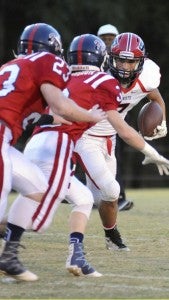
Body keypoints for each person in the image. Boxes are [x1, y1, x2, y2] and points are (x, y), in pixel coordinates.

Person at [0, 23, 106, 281]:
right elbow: (61, 107)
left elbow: (52, 115)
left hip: (6, 141)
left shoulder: (8, 68)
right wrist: (90, 116)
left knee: (37, 185)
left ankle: (9, 256)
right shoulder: (47, 61)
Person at [66, 32, 168, 252]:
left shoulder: (148, 76)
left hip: (110, 138)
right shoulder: (98, 76)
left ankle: (111, 236)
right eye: (120, 59)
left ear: (141, 62)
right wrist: (151, 151)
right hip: (86, 136)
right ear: (110, 57)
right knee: (111, 190)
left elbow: (155, 97)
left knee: (106, 199)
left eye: (130, 61)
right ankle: (59, 184)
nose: (124, 66)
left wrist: (163, 120)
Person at [97, 23, 133, 211]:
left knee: (114, 155)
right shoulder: (96, 59)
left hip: (116, 115)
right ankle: (99, 194)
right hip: (95, 116)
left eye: (111, 39)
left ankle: (119, 195)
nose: (107, 42)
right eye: (104, 39)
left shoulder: (124, 61)